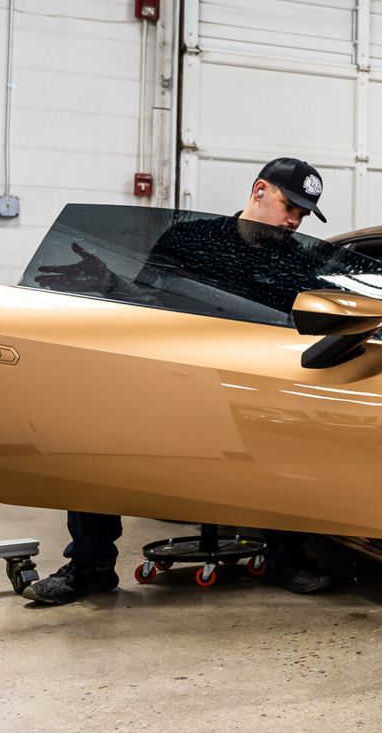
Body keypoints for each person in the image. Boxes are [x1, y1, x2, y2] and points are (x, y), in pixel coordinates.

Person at [24, 157, 340, 605]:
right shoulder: (189, 239)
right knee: (94, 438)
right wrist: (109, 282)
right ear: (259, 191)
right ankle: (90, 565)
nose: (294, 220)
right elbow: (146, 305)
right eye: (290, 206)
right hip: (174, 380)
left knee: (294, 435)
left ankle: (284, 557)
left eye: (303, 214)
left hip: (255, 390)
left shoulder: (299, 264)